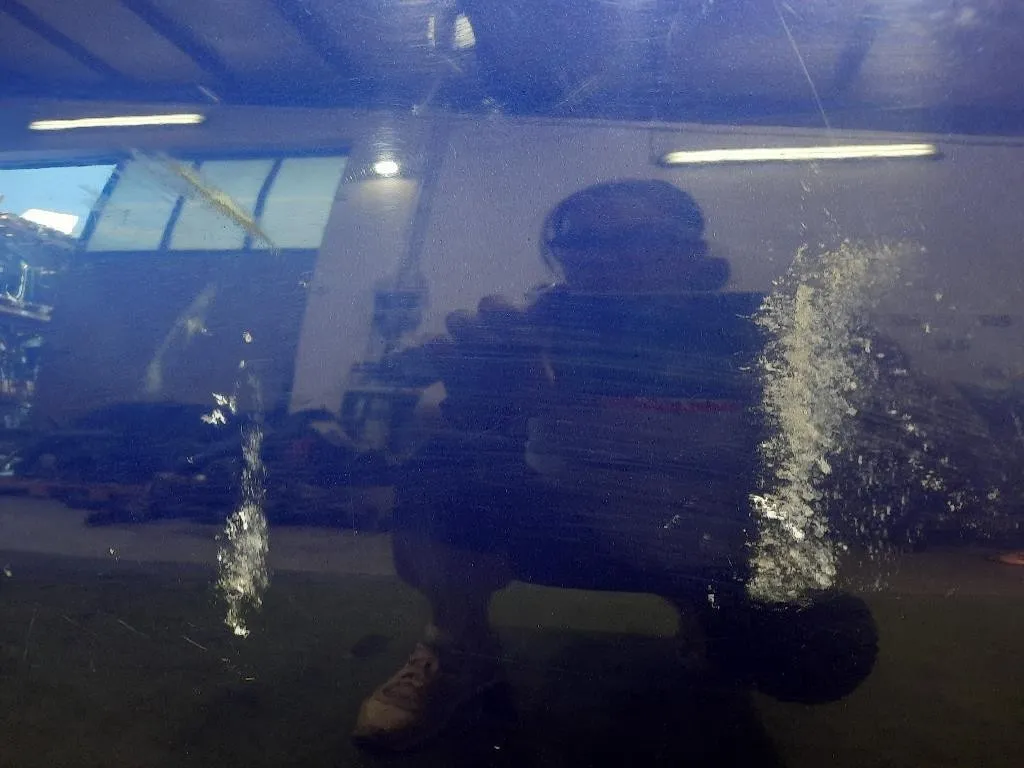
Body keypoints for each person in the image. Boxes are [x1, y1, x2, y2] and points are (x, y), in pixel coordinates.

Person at [351, 180, 877, 751]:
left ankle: (713, 624)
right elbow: (428, 423)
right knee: (441, 466)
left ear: (692, 253)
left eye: (637, 237)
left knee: (820, 645)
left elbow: (828, 462)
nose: (608, 259)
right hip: (578, 531)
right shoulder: (538, 330)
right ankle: (458, 644)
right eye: (583, 243)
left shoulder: (761, 332)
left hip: (717, 542)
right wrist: (486, 407)